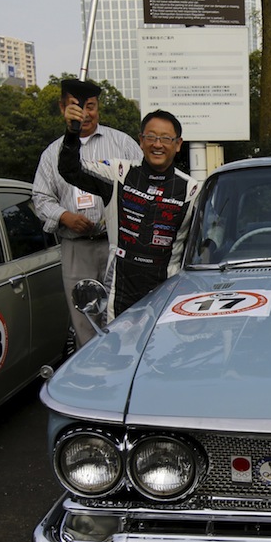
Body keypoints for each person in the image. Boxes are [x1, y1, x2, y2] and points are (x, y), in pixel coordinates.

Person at [58, 106, 199, 322]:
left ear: (178, 144)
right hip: (119, 288)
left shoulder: (192, 190)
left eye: (165, 138)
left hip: (167, 289)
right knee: (120, 352)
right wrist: (72, 132)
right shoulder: (118, 172)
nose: (157, 144)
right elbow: (70, 169)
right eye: (151, 137)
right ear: (141, 140)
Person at [33, 79, 143, 348]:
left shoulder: (123, 144)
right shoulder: (52, 154)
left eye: (90, 106)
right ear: (63, 108)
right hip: (77, 249)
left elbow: (142, 186)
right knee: (84, 316)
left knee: (125, 310)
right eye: (76, 106)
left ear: (98, 108)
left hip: (117, 244)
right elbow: (40, 197)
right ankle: (91, 374)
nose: (85, 113)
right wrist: (63, 216)